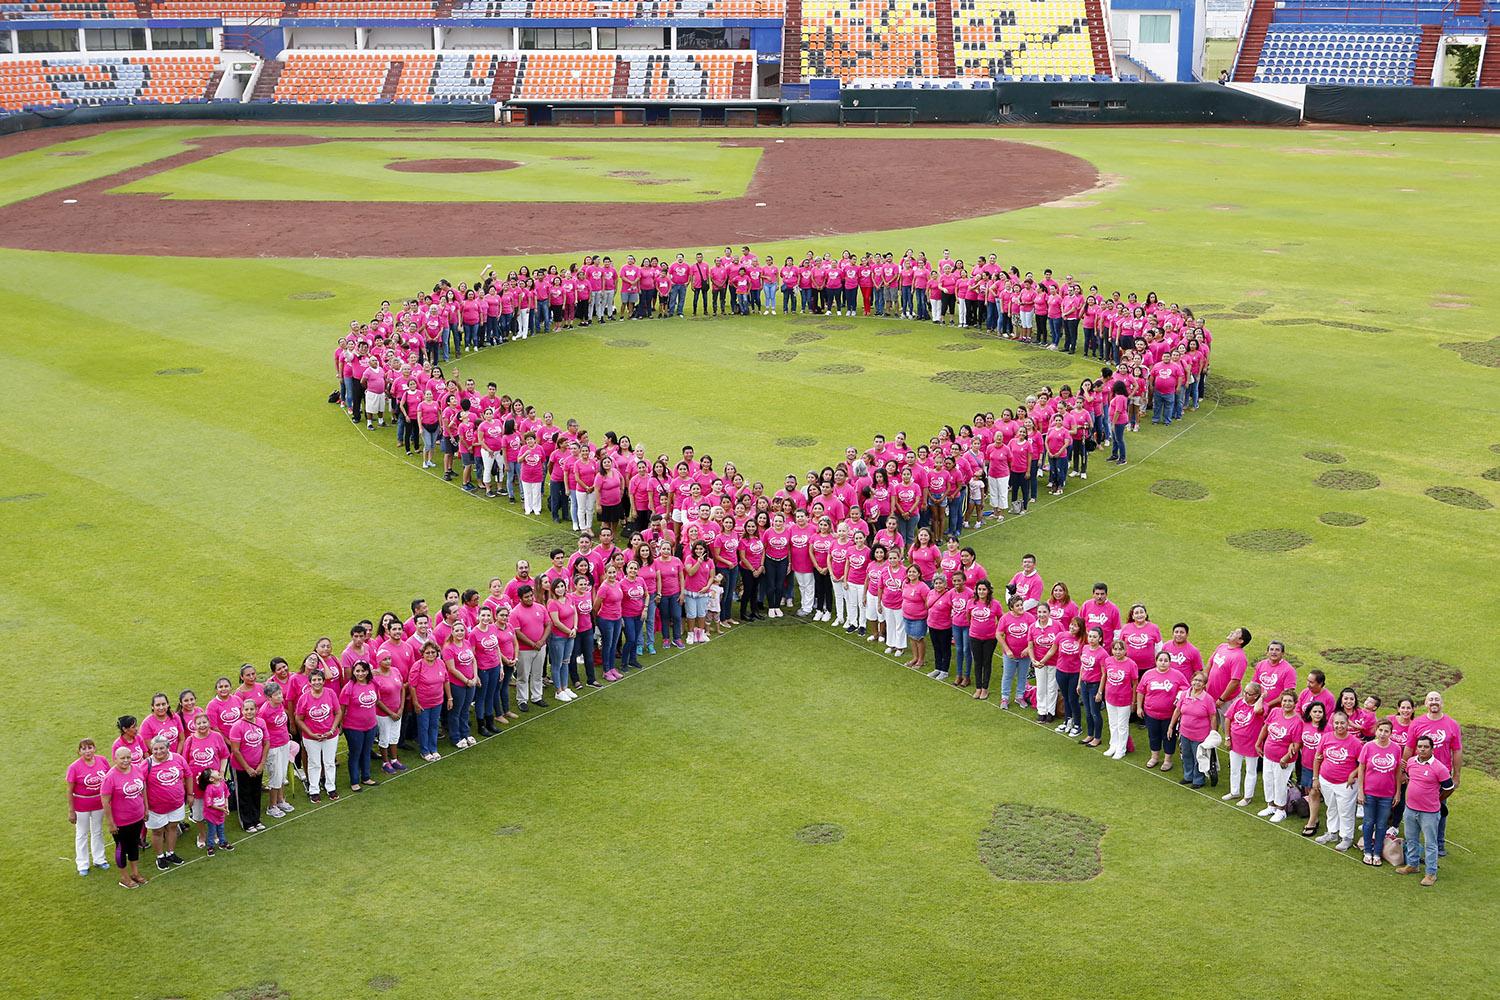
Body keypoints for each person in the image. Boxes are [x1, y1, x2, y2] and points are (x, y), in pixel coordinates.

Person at [1407, 690, 1462, 857]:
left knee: (1440, 809)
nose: (1434, 702)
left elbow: (1457, 751)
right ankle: (1415, 845)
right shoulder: (1416, 723)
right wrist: (1403, 771)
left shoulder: (1452, 724)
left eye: (1437, 699)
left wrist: (1457, 776)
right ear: (1425, 704)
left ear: (1442, 703)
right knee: (1414, 808)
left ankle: (1439, 844)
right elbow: (1409, 748)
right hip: (1419, 774)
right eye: (1430, 700)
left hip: (1441, 776)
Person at [1396, 735, 1454, 886]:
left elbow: (1449, 788)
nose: (1422, 749)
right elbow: (1409, 777)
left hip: (1429, 812)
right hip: (1410, 809)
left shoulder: (1439, 768)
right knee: (1411, 838)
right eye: (1420, 746)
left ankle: (1431, 873)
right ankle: (1413, 865)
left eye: (1425, 747)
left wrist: (1437, 799)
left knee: (1430, 843)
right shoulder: (1411, 762)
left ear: (1432, 749)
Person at [100, 746, 149, 888]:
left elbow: (143, 788)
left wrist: (146, 808)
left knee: (134, 844)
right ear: (115, 759)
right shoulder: (110, 777)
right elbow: (105, 801)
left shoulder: (137, 769)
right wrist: (111, 823)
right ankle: (124, 877)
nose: (126, 760)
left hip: (137, 817)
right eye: (122, 758)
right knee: (121, 847)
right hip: (121, 821)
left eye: (128, 757)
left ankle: (135, 872)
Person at [1313, 710, 1362, 851]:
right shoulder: (1326, 738)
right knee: (1331, 807)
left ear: (1348, 724)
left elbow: (1362, 765)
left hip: (1345, 784)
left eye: (1342, 723)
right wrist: (1316, 778)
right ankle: (1332, 832)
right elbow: (1317, 758)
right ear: (1332, 723)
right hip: (1326, 780)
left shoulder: (1355, 743)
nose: (1339, 726)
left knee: (1346, 811)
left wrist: (1353, 774)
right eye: (1336, 723)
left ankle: (1346, 837)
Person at [1356, 720, 1400, 867]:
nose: (1383, 734)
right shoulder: (1368, 747)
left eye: (1386, 731)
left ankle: (1377, 852)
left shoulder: (1396, 749)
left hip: (1387, 794)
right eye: (1380, 730)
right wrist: (1360, 791)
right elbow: (1361, 769)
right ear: (1376, 731)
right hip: (1369, 792)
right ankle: (1367, 851)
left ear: (1391, 733)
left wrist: (1398, 792)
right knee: (1368, 823)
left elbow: (1398, 772)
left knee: (1381, 825)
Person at [65, 738, 111, 876]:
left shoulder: (102, 760)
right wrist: (71, 810)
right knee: (82, 834)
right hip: (81, 806)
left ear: (94, 748)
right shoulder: (74, 767)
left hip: (99, 804)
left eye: (90, 747)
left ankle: (99, 859)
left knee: (97, 831)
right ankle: (82, 864)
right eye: (84, 749)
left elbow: (109, 779)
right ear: (79, 751)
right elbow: (69, 790)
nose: (87, 751)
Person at [295, 667, 343, 800]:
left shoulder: (330, 693)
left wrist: (332, 730)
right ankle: (314, 790)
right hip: (311, 738)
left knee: (329, 762)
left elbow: (338, 712)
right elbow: (299, 719)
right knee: (314, 763)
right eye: (314, 680)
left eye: (319, 679)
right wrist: (310, 733)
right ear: (309, 682)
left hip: (330, 736)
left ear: (323, 681)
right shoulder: (304, 698)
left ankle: (331, 787)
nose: (317, 682)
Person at [142, 736, 189, 871]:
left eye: (161, 748)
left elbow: (188, 774)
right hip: (155, 807)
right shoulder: (146, 764)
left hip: (176, 804)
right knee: (157, 831)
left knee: (172, 827)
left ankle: (170, 853)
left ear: (168, 748)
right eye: (155, 749)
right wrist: (145, 807)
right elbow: (141, 785)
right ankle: (160, 856)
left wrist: (190, 794)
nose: (158, 752)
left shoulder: (177, 758)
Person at [1136, 651, 1187, 772]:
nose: (1163, 663)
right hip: (1151, 713)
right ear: (1156, 661)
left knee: (1168, 736)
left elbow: (1186, 689)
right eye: (1160, 660)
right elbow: (1140, 690)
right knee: (1153, 735)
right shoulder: (1148, 674)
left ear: (1170, 662)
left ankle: (1168, 760)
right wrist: (1139, 707)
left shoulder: (1177, 675)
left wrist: (1179, 697)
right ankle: (1154, 757)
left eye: (1166, 660)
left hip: (1169, 715)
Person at [1257, 689, 1302, 822]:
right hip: (1268, 755)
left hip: (1283, 760)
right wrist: (1258, 742)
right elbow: (1266, 727)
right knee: (1268, 780)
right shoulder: (1275, 712)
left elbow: (1297, 744)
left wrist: (1286, 758)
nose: (1286, 703)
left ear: (1295, 703)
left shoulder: (1297, 721)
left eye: (1290, 701)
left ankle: (1281, 809)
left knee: (1280, 783)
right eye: (1284, 701)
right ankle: (1270, 805)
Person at [1167, 671, 1215, 788]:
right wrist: (1171, 726)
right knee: (1187, 755)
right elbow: (1177, 711)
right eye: (1195, 680)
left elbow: (1213, 716)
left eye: (1200, 681)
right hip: (1184, 733)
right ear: (1191, 680)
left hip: (1200, 735)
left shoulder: (1208, 699)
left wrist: (1213, 734)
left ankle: (1198, 780)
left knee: (1198, 757)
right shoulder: (1184, 694)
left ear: (1204, 684)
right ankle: (1188, 776)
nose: (1197, 683)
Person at [1221, 682, 1265, 807]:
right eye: (1244, 692)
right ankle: (1234, 791)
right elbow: (1228, 718)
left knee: (1250, 771)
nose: (1245, 695)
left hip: (1251, 744)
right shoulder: (1238, 702)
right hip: (1236, 742)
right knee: (1235, 768)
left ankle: (1248, 796)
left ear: (1256, 695)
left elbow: (1257, 710)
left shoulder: (1261, 706)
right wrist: (1227, 737)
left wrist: (1262, 698)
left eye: (1248, 693)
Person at [227, 698, 268, 833]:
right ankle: (246, 822)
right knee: (243, 794)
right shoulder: (237, 726)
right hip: (241, 768)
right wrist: (247, 768)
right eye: (246, 709)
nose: (249, 712)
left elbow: (266, 743)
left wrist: (261, 764)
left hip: (258, 766)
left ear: (256, 710)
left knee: (256, 793)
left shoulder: (261, 722)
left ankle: (256, 819)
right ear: (241, 711)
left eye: (252, 709)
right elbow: (235, 751)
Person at [339, 661, 381, 788]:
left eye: (363, 671)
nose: (360, 674)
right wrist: (340, 724)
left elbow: (377, 700)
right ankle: (354, 781)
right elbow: (342, 708)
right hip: (353, 727)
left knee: (367, 751)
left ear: (368, 671)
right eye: (357, 671)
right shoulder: (349, 688)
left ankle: (366, 777)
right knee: (355, 753)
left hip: (371, 725)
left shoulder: (373, 684)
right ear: (353, 672)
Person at [409, 642, 451, 762]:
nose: (431, 654)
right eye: (427, 652)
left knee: (434, 726)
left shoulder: (441, 663)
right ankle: (425, 751)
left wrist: (450, 698)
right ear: (422, 654)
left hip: (437, 701)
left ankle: (434, 748)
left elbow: (446, 680)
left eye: (433, 652)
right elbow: (412, 686)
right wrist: (416, 703)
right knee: (424, 727)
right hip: (423, 703)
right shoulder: (418, 666)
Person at [1098, 634, 1136, 758]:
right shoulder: (1108, 661)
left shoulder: (1131, 664)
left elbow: (1135, 684)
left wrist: (1133, 702)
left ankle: (1121, 748)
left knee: (1122, 726)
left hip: (1124, 700)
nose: (1118, 652)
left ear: (1125, 651)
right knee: (1112, 724)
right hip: (1110, 698)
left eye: (1121, 649)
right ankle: (1113, 745)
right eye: (1115, 649)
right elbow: (1105, 677)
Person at [996, 595, 1035, 709]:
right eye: (1017, 605)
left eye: (1021, 605)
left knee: (1023, 676)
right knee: (1008, 676)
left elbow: (1035, 634)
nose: (1020, 607)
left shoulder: (1029, 617)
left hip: (1025, 655)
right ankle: (1005, 698)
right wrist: (1007, 650)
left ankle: (1020, 696)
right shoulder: (1005, 618)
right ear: (1011, 607)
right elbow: (998, 634)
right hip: (1010, 655)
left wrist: (1028, 649)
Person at [1297, 701, 1329, 838]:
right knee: (1311, 793)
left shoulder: (1328, 729)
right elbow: (1298, 741)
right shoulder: (1304, 725)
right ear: (1309, 712)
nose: (1317, 714)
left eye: (1320, 712)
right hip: (1306, 765)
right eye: (1315, 711)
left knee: (1316, 793)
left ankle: (1312, 822)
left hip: (1323, 768)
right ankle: (1314, 819)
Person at [967, 580, 1002, 701]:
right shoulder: (971, 602)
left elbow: (1001, 619)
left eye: (984, 589)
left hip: (990, 638)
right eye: (979, 589)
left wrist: (995, 631)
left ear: (988, 591)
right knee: (977, 662)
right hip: (974, 637)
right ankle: (978, 687)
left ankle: (985, 688)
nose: (981, 592)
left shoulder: (995, 604)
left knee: (987, 662)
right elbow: (968, 617)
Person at [197, 768, 233, 857]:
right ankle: (210, 846)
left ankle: (222, 842)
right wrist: (222, 809)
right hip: (211, 815)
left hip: (220, 814)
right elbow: (209, 804)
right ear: (211, 779)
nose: (217, 771)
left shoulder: (223, 784)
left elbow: (226, 796)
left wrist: (226, 806)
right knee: (212, 831)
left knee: (221, 828)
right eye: (214, 771)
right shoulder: (209, 789)